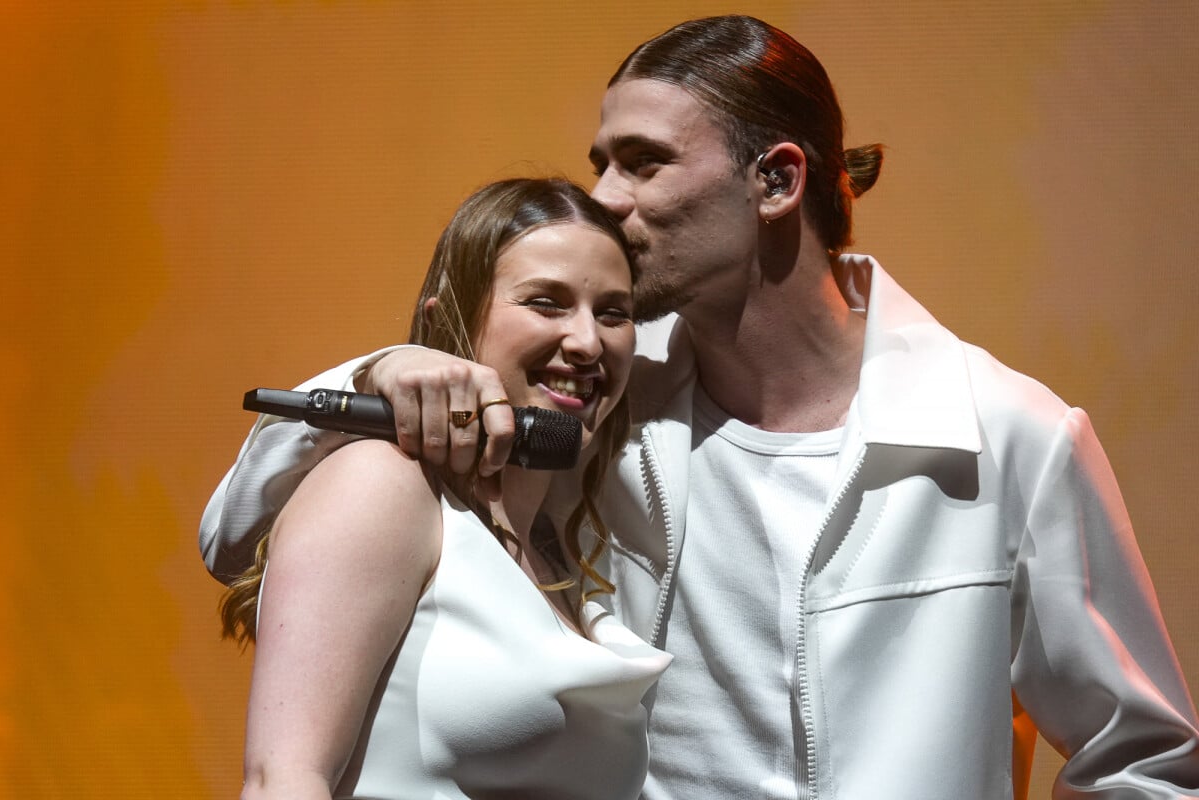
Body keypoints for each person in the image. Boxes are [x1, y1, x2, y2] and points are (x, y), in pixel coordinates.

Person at [201, 15, 1199, 800]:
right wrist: (387, 370)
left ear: (777, 179)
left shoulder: (1005, 434)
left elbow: (1147, 760)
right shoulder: (606, 406)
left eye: (642, 162)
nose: (604, 197)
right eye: (601, 161)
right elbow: (235, 531)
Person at [217, 177, 670, 800]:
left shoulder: (563, 550)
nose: (588, 342)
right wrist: (380, 367)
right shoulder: (384, 485)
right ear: (449, 318)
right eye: (546, 303)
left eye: (614, 313)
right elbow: (284, 780)